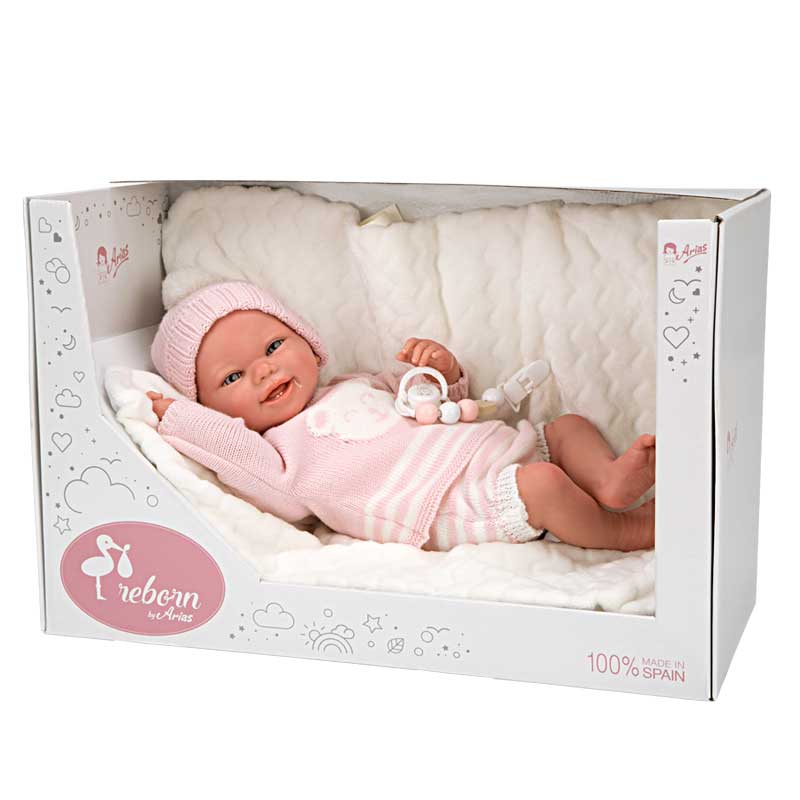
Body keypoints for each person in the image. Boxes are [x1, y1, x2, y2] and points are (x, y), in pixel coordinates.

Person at [148, 281, 655, 552]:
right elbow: (236, 455)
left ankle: (608, 482)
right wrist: (183, 420)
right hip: (447, 504)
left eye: (275, 346)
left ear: (309, 342)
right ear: (210, 408)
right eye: (233, 377)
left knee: (567, 427)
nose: (264, 370)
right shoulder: (279, 457)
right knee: (543, 486)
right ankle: (622, 532)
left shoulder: (355, 383)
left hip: (493, 447)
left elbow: (434, 401)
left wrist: (443, 371)